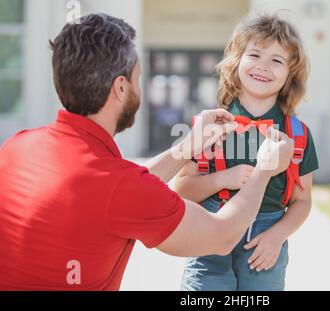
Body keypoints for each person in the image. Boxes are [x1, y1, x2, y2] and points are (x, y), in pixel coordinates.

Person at [0, 13, 294, 291]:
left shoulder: (17, 146)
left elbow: (109, 192)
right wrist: (265, 170)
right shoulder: (119, 186)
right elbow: (222, 237)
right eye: (138, 78)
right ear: (121, 88)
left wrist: (187, 147)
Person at [174, 14, 319, 291]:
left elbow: (303, 201)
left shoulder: (297, 134)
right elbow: (181, 189)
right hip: (208, 239)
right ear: (236, 61)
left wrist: (277, 236)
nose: (263, 67)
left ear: (291, 74)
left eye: (277, 60)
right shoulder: (209, 124)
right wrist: (222, 179)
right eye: (255, 55)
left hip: (263, 245)